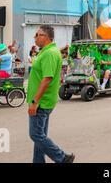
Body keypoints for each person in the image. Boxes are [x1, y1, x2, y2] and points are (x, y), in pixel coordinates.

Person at [27, 25, 74, 163]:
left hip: (42, 101)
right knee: (40, 135)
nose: (34, 37)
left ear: (45, 37)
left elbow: (47, 78)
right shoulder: (46, 51)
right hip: (43, 100)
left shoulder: (49, 53)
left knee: (36, 135)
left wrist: (35, 102)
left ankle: (62, 157)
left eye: (37, 34)